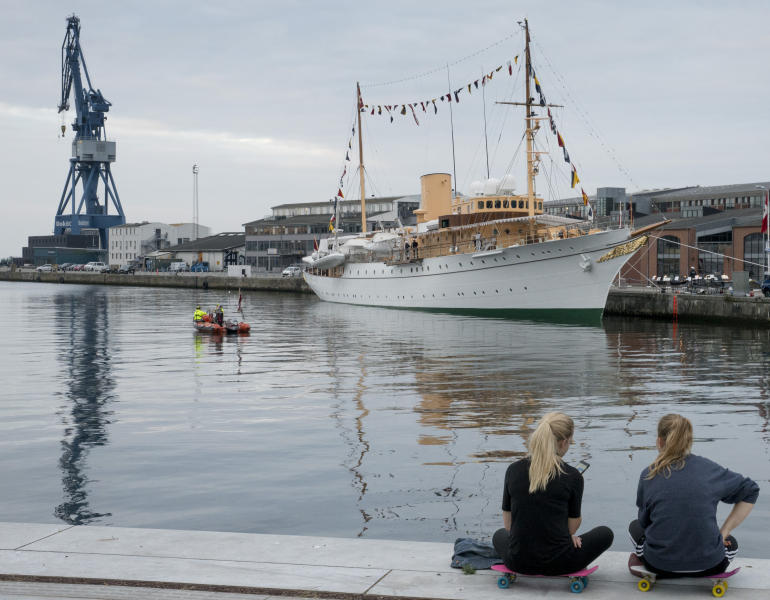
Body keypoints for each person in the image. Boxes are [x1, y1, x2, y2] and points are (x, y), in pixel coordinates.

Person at [630, 414, 759, 577]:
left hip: (659, 565)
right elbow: (751, 490)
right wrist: (724, 532)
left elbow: (644, 522)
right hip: (710, 565)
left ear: (660, 441)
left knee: (634, 526)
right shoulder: (709, 470)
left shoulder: (648, 474)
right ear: (688, 441)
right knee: (731, 543)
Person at [492, 412, 613, 575]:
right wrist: (568, 536)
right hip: (562, 563)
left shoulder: (513, 470)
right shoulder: (573, 476)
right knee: (605, 533)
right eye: (570, 442)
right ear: (563, 442)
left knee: (498, 535)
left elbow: (508, 526)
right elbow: (572, 527)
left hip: (518, 562)